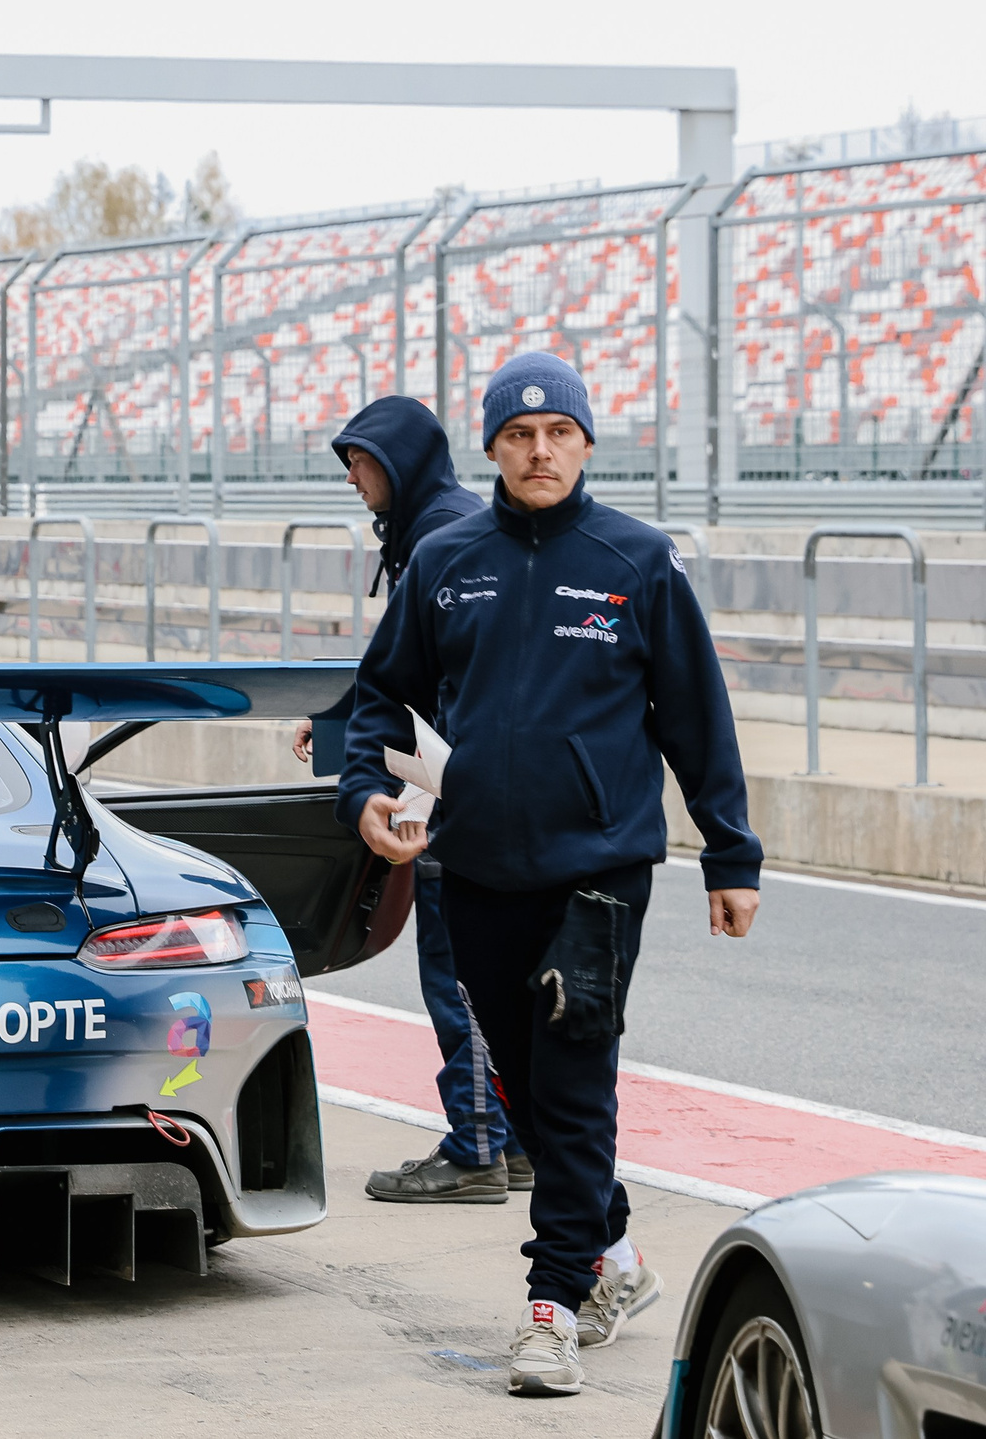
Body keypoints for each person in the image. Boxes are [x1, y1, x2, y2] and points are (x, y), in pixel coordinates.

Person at [335, 351, 761, 1399]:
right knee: (523, 1089)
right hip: (474, 868)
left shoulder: (638, 561)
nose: (538, 451)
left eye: (557, 434)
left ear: (584, 444)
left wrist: (728, 852)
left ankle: (550, 1309)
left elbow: (695, 719)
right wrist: (364, 799)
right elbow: (379, 701)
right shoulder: (447, 560)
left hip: (600, 870)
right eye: (518, 436)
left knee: (572, 1082)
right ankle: (613, 1259)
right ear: (490, 447)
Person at [290, 396, 527, 1204]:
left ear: (397, 462)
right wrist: (338, 723)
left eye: (360, 463)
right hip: (493, 787)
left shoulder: (439, 535)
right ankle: (515, 1139)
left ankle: (476, 1148)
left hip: (449, 792)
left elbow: (423, 675)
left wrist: (376, 758)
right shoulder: (447, 523)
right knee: (498, 974)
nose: (352, 480)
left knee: (457, 975)